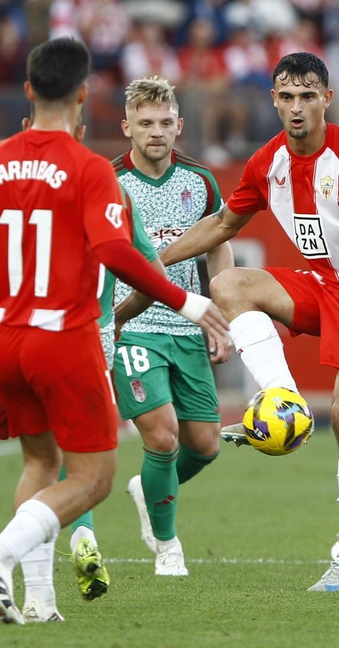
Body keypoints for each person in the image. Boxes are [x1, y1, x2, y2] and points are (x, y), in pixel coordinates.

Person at [0, 38, 231, 624]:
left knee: (39, 466)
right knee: (93, 477)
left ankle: (41, 602)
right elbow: (118, 252)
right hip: (66, 343)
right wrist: (190, 303)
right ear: (82, 97)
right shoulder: (91, 169)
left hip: (6, 348)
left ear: (27, 91)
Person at [151, 52, 339, 593]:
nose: (297, 107)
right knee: (228, 284)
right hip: (323, 287)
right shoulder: (267, 162)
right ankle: (284, 401)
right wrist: (153, 264)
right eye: (286, 96)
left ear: (327, 98)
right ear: (273, 99)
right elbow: (226, 223)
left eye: (307, 96)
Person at [0, 118, 163, 611]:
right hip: (85, 345)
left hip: (13, 340)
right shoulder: (107, 185)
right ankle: (71, 551)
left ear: (25, 124)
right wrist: (121, 321)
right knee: (76, 466)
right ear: (81, 124)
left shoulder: (2, 176)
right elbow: (150, 272)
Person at [107, 76, 234, 576]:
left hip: (187, 324)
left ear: (179, 126)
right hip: (130, 323)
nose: (155, 132)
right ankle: (167, 548)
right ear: (127, 127)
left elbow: (219, 240)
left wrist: (221, 307)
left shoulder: (200, 182)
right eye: (144, 123)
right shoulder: (109, 182)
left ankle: (150, 488)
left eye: (164, 123)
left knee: (204, 445)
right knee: (162, 437)